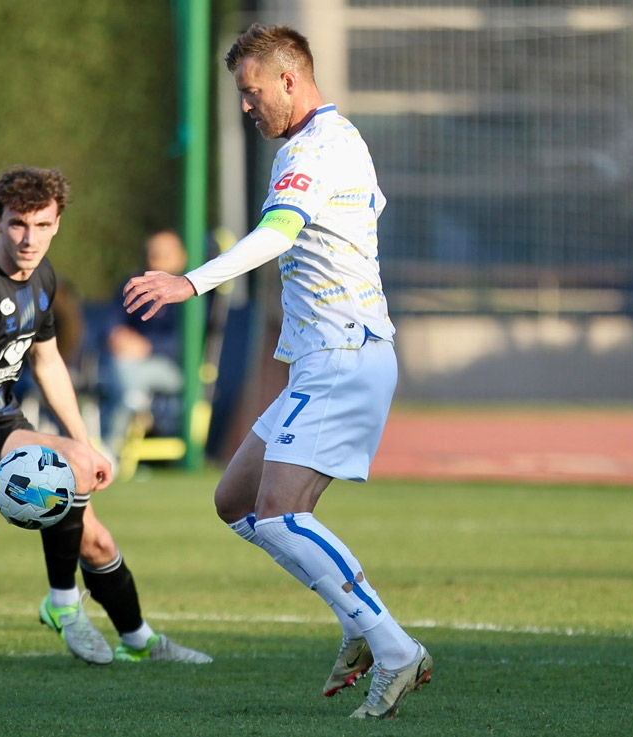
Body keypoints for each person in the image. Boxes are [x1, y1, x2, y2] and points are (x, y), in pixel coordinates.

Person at [123, 24, 430, 719]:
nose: (246, 105)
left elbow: (276, 234)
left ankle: (394, 646)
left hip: (343, 355)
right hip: (329, 358)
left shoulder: (314, 148)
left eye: (251, 90)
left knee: (281, 514)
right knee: (235, 500)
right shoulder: (332, 139)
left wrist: (189, 282)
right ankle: (361, 625)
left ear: (289, 80)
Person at [0, 166, 211, 666]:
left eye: (42, 225)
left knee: (97, 540)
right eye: (17, 224)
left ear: (57, 224)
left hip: (4, 422)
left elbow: (48, 363)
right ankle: (63, 603)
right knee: (71, 467)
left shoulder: (43, 277)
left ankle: (139, 641)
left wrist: (84, 442)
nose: (29, 239)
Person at [101, 230, 187, 455]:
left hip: (171, 368)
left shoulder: (191, 293)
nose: (156, 261)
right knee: (123, 370)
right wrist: (118, 337)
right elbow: (113, 324)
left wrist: (147, 346)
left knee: (125, 375)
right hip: (127, 361)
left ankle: (110, 448)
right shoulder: (133, 285)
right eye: (152, 255)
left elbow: (186, 341)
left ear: (181, 258)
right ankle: (132, 398)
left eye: (164, 256)